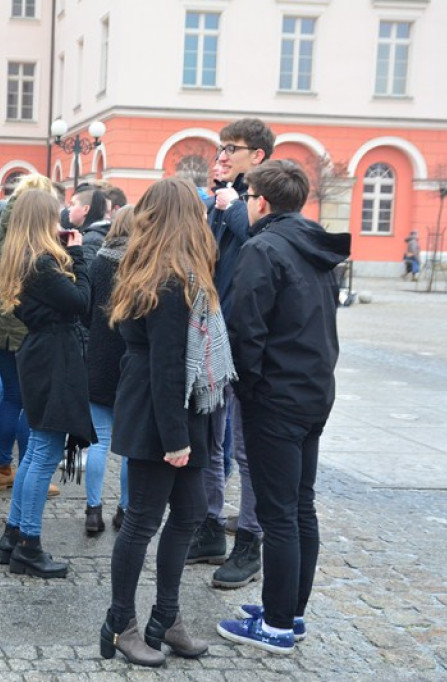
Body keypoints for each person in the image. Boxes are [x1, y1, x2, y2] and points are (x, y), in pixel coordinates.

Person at [217, 160, 351, 654]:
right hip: (312, 391)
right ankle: (290, 612)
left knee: (279, 514)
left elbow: (245, 329)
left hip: (276, 397)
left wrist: (248, 389)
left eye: (249, 196)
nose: (247, 204)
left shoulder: (264, 248)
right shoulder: (314, 245)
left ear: (262, 202)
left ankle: (275, 625)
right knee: (299, 506)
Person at [100, 177, 224, 667]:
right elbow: (166, 365)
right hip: (161, 416)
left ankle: (166, 618)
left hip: (178, 410)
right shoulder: (167, 281)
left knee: (190, 513)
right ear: (186, 219)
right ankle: (120, 624)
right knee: (142, 521)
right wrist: (175, 438)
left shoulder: (176, 273)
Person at [188, 118, 275, 593]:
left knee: (246, 447)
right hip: (214, 332)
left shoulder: (266, 196)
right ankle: (208, 527)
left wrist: (235, 207)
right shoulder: (220, 198)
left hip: (250, 339)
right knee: (209, 437)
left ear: (256, 155)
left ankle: (249, 541)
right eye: (220, 147)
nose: (222, 155)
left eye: (231, 148)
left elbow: (263, 244)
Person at [0, 189, 93, 580]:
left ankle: (13, 536)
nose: (60, 222)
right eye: (55, 216)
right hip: (53, 359)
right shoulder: (40, 262)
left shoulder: (23, 256)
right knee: (44, 454)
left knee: (36, 450)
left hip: (42, 354)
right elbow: (81, 301)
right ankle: (28, 546)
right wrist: (79, 255)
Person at [0, 174, 57, 496]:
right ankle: (30, 470)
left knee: (12, 397)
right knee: (30, 402)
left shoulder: (0, 227)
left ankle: (1, 468)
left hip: (2, 320)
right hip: (30, 326)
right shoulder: (35, 231)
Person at [82, 205, 134, 535]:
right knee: (129, 447)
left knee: (98, 443)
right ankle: (125, 511)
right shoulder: (143, 263)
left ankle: (93, 510)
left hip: (99, 357)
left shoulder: (99, 261)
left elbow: (86, 312)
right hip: (131, 360)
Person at [67, 186, 110, 265]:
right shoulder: (94, 234)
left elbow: (86, 270)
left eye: (73, 204)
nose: (69, 209)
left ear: (86, 209)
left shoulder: (91, 240)